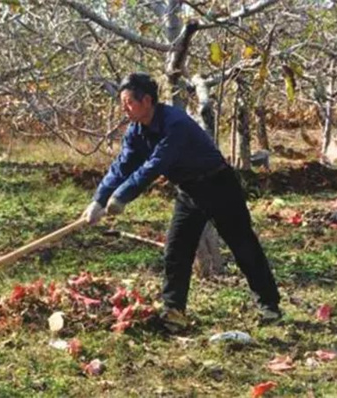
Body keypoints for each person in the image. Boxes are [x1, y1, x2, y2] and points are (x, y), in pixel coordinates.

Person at [81, 72, 281, 331]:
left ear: (147, 101)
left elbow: (155, 165)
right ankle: (174, 311)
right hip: (189, 190)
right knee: (176, 249)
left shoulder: (175, 123)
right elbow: (122, 166)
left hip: (218, 185)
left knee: (243, 245)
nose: (124, 108)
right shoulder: (136, 130)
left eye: (129, 102)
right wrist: (99, 200)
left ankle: (269, 306)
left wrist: (122, 197)